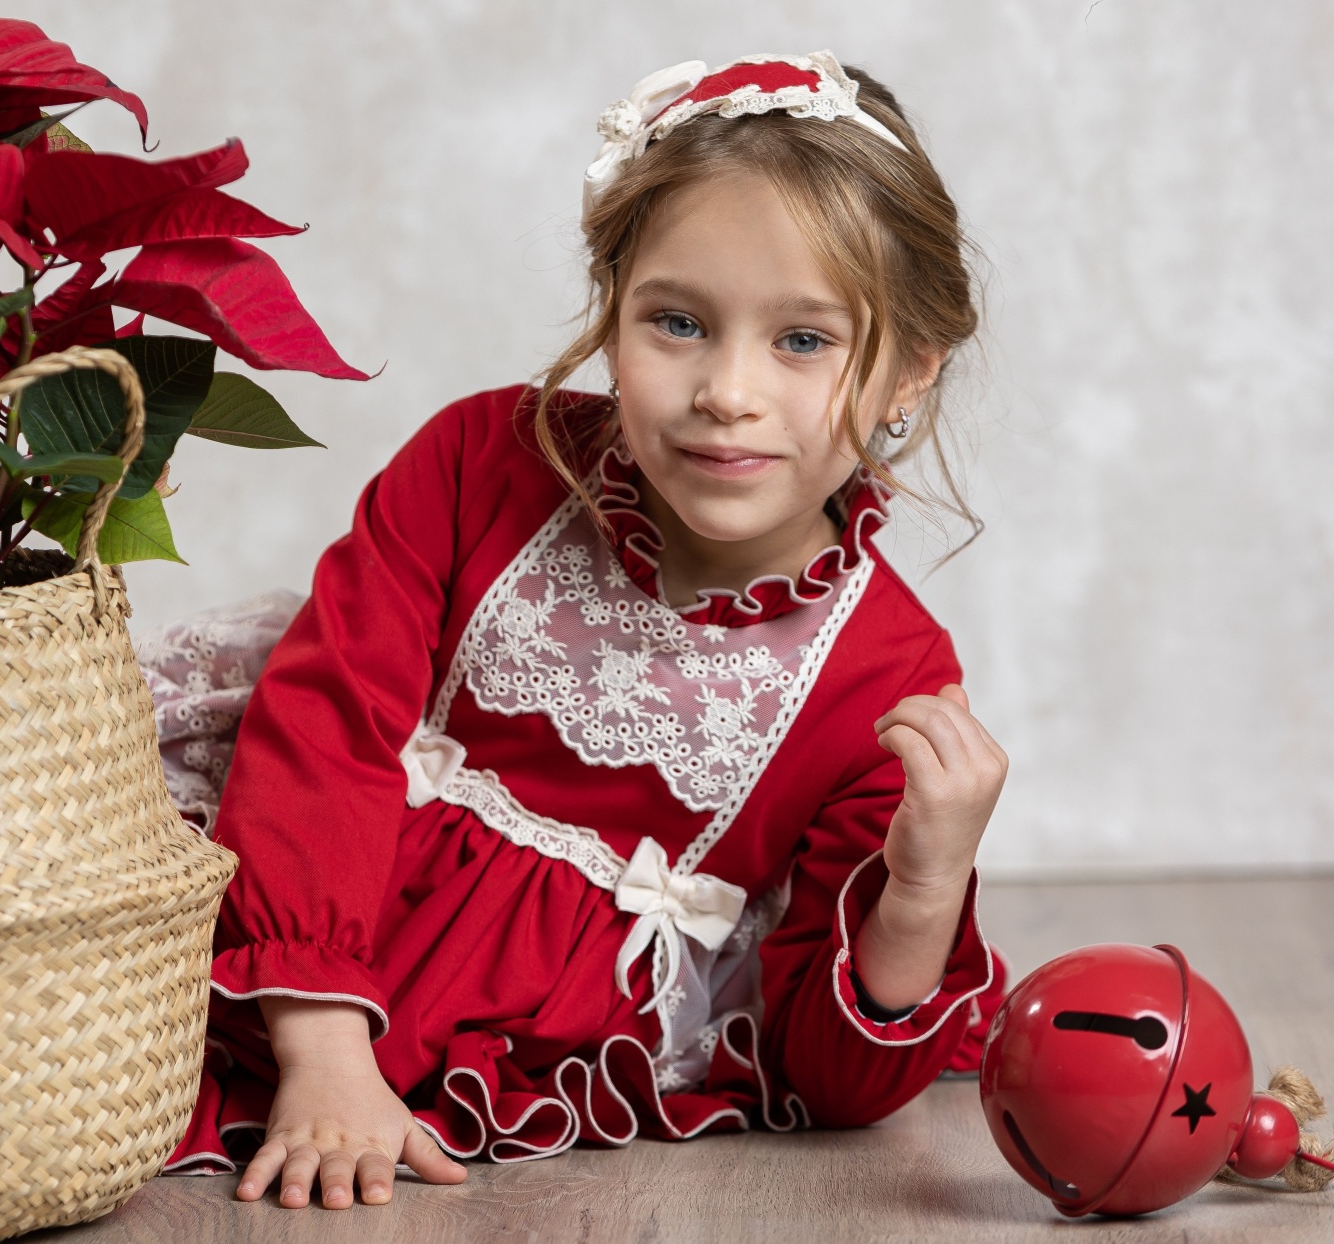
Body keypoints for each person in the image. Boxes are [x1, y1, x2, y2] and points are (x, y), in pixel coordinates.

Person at [144, 50, 1010, 1210]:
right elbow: (327, 729)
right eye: (680, 322)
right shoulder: (478, 463)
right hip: (296, 935)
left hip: (534, 1037)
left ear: (909, 369)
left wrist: (923, 881)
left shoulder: (888, 677)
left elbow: (831, 1077)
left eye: (803, 340)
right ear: (613, 311)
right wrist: (322, 1051)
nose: (727, 390)